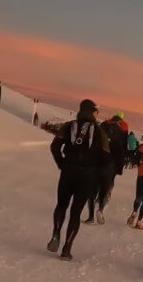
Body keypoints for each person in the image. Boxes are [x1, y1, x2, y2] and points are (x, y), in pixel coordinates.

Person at [47, 99, 110, 260]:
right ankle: (67, 248)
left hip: (68, 171)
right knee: (75, 213)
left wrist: (62, 163)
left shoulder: (69, 126)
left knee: (61, 205)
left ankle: (56, 234)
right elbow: (105, 158)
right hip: (87, 176)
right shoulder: (99, 131)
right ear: (93, 112)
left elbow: (55, 146)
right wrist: (100, 179)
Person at [86, 114, 126, 224]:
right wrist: (119, 168)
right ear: (120, 121)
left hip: (97, 163)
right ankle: (100, 210)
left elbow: (92, 144)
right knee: (105, 189)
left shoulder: (101, 128)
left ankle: (90, 217)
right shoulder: (121, 132)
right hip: (110, 166)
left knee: (92, 191)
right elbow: (121, 152)